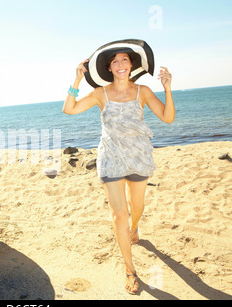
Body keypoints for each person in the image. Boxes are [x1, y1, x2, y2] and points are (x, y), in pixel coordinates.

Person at [62, 51, 175, 294]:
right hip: (111, 159)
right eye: (115, 61)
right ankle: (130, 269)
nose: (120, 64)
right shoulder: (100, 93)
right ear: (109, 68)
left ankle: (135, 229)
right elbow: (69, 109)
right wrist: (77, 81)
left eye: (124, 59)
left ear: (131, 64)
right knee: (118, 214)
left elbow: (167, 117)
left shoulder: (142, 91)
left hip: (138, 157)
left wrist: (167, 88)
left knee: (137, 207)